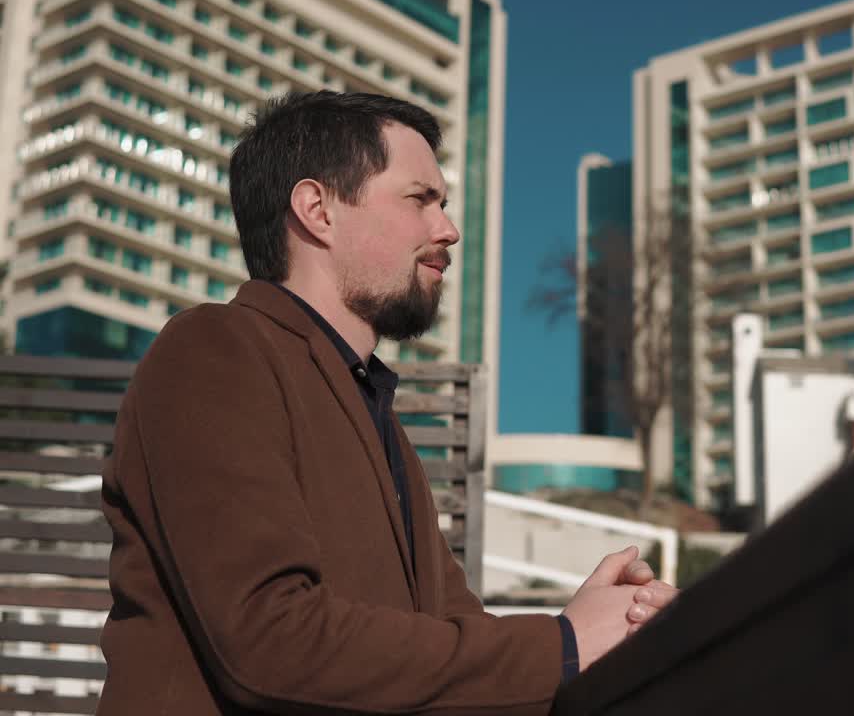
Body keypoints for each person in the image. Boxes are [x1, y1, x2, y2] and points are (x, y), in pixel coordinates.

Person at [97, 91, 677, 715]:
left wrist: (595, 631)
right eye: (419, 200)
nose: (447, 230)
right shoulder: (213, 351)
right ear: (317, 208)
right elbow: (269, 642)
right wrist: (562, 646)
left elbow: (443, 639)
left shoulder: (373, 409)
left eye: (444, 205)